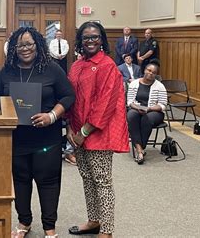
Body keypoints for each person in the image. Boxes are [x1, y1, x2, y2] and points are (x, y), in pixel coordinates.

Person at [1, 27, 75, 238]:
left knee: (48, 182)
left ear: (38, 45)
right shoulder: (7, 70)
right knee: (20, 181)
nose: (25, 49)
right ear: (14, 48)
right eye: (21, 45)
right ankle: (24, 222)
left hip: (47, 139)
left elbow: (69, 96)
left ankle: (49, 228)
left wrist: (51, 116)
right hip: (17, 139)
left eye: (29, 44)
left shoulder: (51, 68)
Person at [66, 21, 129, 238]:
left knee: (102, 181)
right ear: (80, 41)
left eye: (94, 37)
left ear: (101, 39)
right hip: (77, 131)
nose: (90, 41)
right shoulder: (76, 65)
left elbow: (105, 103)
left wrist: (84, 132)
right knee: (86, 177)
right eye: (86, 38)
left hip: (98, 133)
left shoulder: (107, 65)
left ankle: (108, 230)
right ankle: (94, 220)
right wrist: (69, 127)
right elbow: (70, 99)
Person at [126, 61, 168, 164]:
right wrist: (137, 107)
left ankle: (140, 148)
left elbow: (163, 105)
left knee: (146, 118)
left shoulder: (160, 86)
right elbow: (129, 102)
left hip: (154, 112)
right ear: (144, 70)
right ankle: (140, 150)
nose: (150, 73)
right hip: (136, 109)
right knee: (131, 116)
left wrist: (149, 109)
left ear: (156, 75)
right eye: (149, 70)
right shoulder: (134, 83)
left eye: (153, 72)